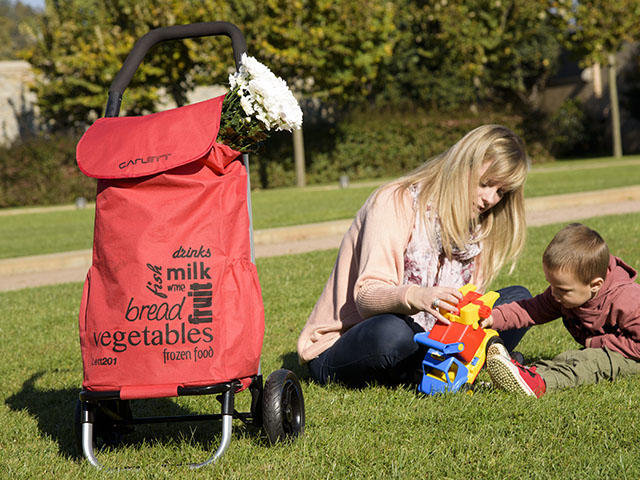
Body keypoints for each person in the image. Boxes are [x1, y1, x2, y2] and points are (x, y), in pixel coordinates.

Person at [297, 124, 532, 388]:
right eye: (485, 183)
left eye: (501, 192)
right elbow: (366, 295)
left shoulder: (479, 224)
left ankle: (445, 367)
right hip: (350, 341)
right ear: (462, 165)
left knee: (518, 302)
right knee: (393, 333)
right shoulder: (396, 200)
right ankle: (470, 364)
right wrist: (417, 296)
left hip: (434, 339)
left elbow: (468, 305)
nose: (490, 199)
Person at [483, 223, 640, 398]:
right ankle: (523, 375)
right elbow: (530, 310)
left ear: (595, 285)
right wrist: (493, 318)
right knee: (568, 358)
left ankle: (539, 382)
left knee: (589, 363)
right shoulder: (562, 294)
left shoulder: (628, 300)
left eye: (562, 290)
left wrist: (596, 343)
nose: (554, 294)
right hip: (607, 350)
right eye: (551, 285)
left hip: (633, 356)